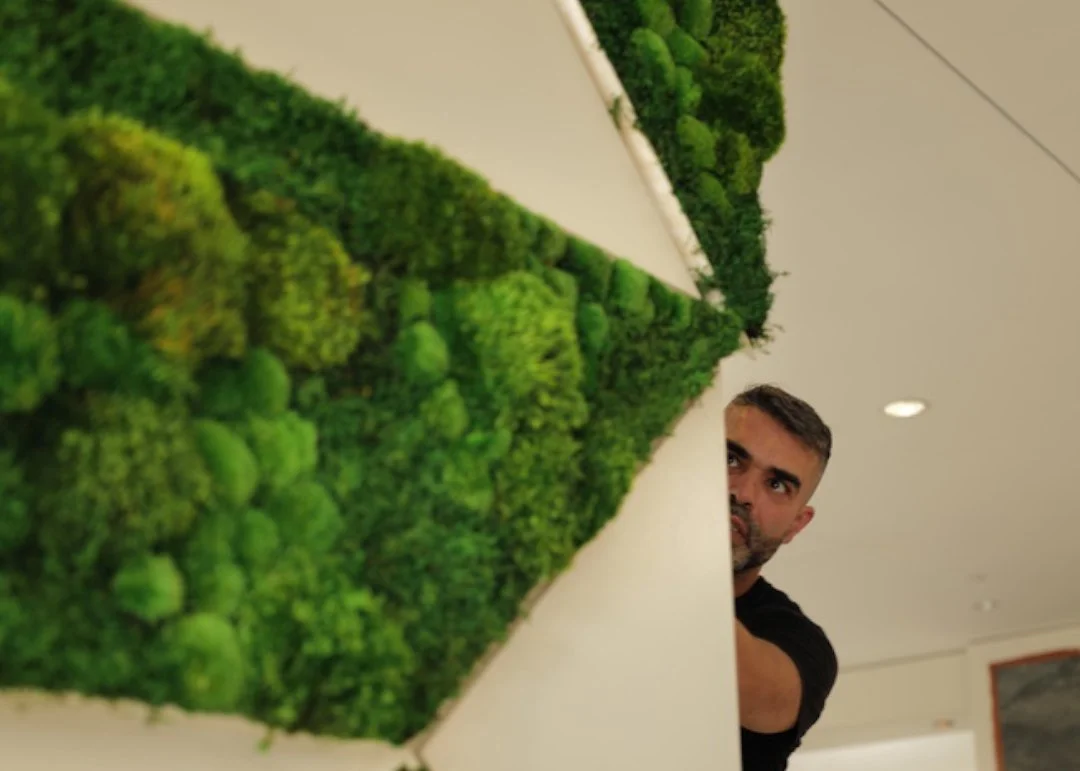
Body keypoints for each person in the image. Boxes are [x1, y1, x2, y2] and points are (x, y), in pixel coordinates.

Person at [726, 384, 838, 771]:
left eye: (776, 485)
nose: (742, 493)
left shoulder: (798, 642)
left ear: (796, 525)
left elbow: (766, 697)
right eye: (730, 459)